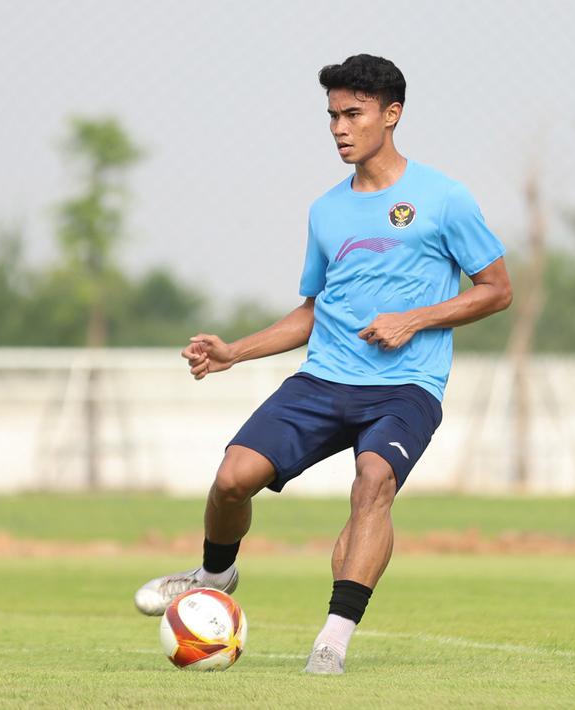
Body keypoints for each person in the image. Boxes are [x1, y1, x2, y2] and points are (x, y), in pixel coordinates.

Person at [133, 54, 512, 674]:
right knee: (232, 479)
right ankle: (215, 575)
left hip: (405, 387)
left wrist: (413, 319)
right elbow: (313, 310)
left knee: (373, 483)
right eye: (332, 115)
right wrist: (234, 352)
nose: (339, 127)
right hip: (324, 379)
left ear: (392, 115)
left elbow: (497, 289)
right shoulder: (326, 210)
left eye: (353, 114)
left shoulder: (445, 198)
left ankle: (333, 639)